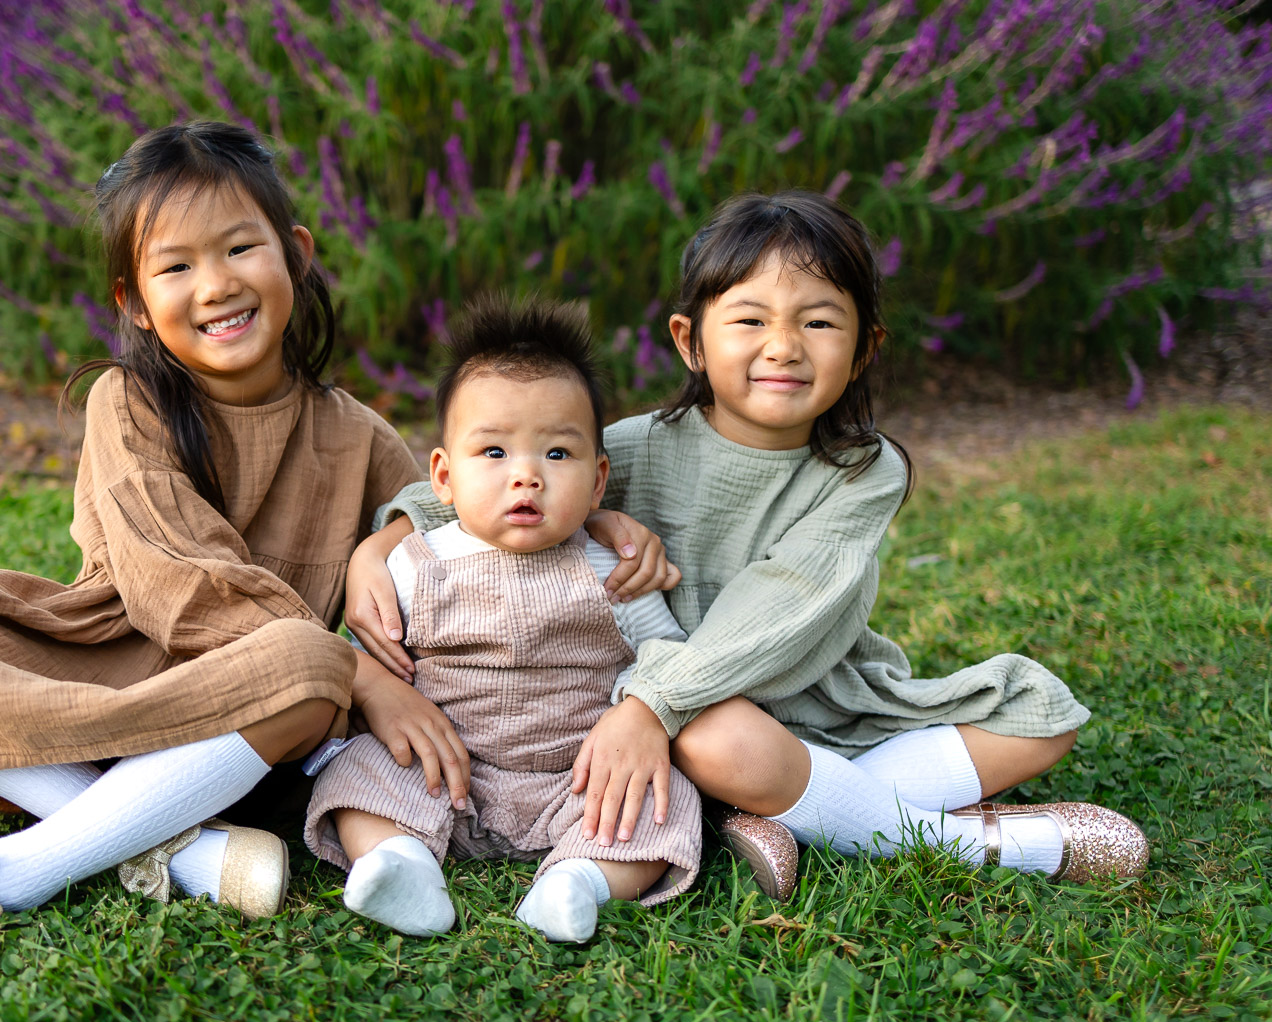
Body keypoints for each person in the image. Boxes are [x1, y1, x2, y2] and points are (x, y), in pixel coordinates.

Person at [347, 191, 1148, 902]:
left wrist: (646, 704)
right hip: (697, 726)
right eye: (752, 319)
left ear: (865, 346)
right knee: (718, 737)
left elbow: (779, 605)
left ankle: (791, 812)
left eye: (819, 321)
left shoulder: (863, 471)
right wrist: (380, 545)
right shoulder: (635, 447)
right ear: (691, 341)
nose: (784, 346)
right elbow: (490, 483)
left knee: (1042, 720)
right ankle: (964, 843)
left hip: (798, 704)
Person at [0, 121, 467, 937]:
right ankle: (179, 851)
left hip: (249, 733)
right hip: (103, 685)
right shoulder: (127, 403)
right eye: (175, 266)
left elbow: (457, 528)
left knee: (307, 656)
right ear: (135, 303)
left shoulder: (357, 435)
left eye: (240, 249)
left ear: (297, 253)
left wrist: (389, 548)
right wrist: (365, 676)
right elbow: (172, 580)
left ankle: (21, 873)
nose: (214, 284)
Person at [304, 295, 702, 944]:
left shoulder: (614, 564)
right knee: (358, 770)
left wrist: (642, 714)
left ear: (599, 480)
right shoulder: (411, 563)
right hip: (440, 772)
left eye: (556, 454)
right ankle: (400, 863)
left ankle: (578, 881)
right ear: (443, 475)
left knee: (665, 800)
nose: (526, 477)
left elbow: (668, 655)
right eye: (493, 452)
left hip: (576, 781)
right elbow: (370, 659)